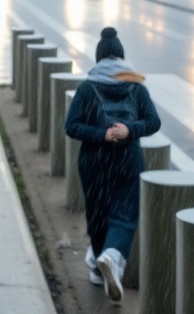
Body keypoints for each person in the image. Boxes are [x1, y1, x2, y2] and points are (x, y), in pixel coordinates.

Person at [65, 27, 161, 305]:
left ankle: (98, 262)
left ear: (98, 58)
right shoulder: (136, 87)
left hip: (94, 162)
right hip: (127, 160)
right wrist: (129, 129)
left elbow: (71, 126)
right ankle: (110, 256)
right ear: (121, 56)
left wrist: (100, 134)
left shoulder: (87, 87)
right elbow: (154, 122)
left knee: (98, 215)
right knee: (125, 215)